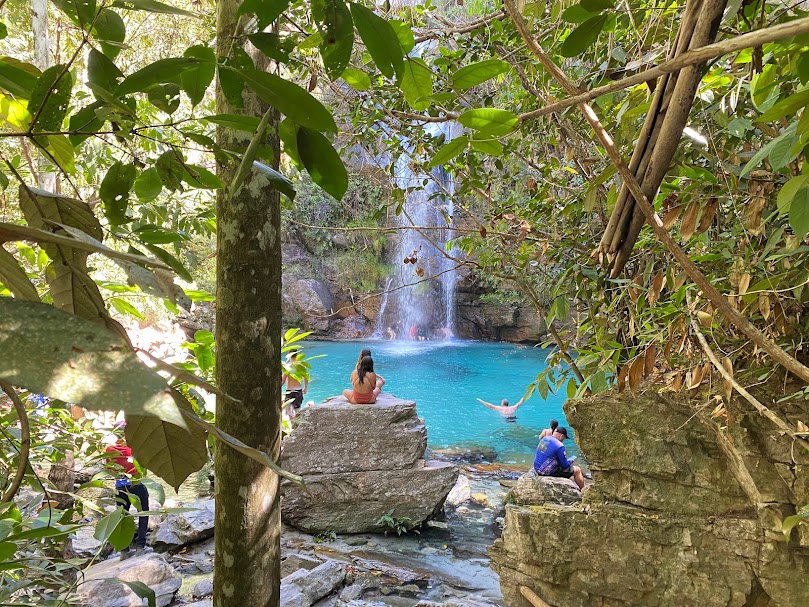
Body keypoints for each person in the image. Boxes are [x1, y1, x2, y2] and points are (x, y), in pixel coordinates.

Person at [105, 421, 151, 559]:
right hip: (136, 485)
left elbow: (109, 469)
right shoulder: (135, 448)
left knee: (122, 518)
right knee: (143, 513)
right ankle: (140, 547)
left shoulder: (109, 450)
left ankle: (124, 551)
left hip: (120, 487)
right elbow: (142, 467)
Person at [281, 350, 308, 417]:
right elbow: (306, 377)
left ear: (289, 356)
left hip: (290, 392)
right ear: (297, 355)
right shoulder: (301, 366)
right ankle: (297, 427)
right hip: (298, 391)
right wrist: (305, 388)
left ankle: (293, 426)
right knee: (297, 412)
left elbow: (283, 380)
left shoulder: (288, 367)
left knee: (290, 414)